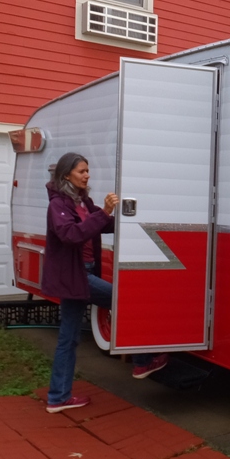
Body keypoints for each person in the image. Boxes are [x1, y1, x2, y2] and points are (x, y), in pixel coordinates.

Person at [42, 152, 168, 414]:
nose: (87, 175)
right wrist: (105, 212)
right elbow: (71, 235)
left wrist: (131, 213)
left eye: (88, 170)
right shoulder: (58, 205)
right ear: (66, 175)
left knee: (69, 338)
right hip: (76, 276)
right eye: (82, 171)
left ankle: (58, 398)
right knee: (125, 302)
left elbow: (105, 225)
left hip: (82, 273)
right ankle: (142, 361)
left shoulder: (83, 202)